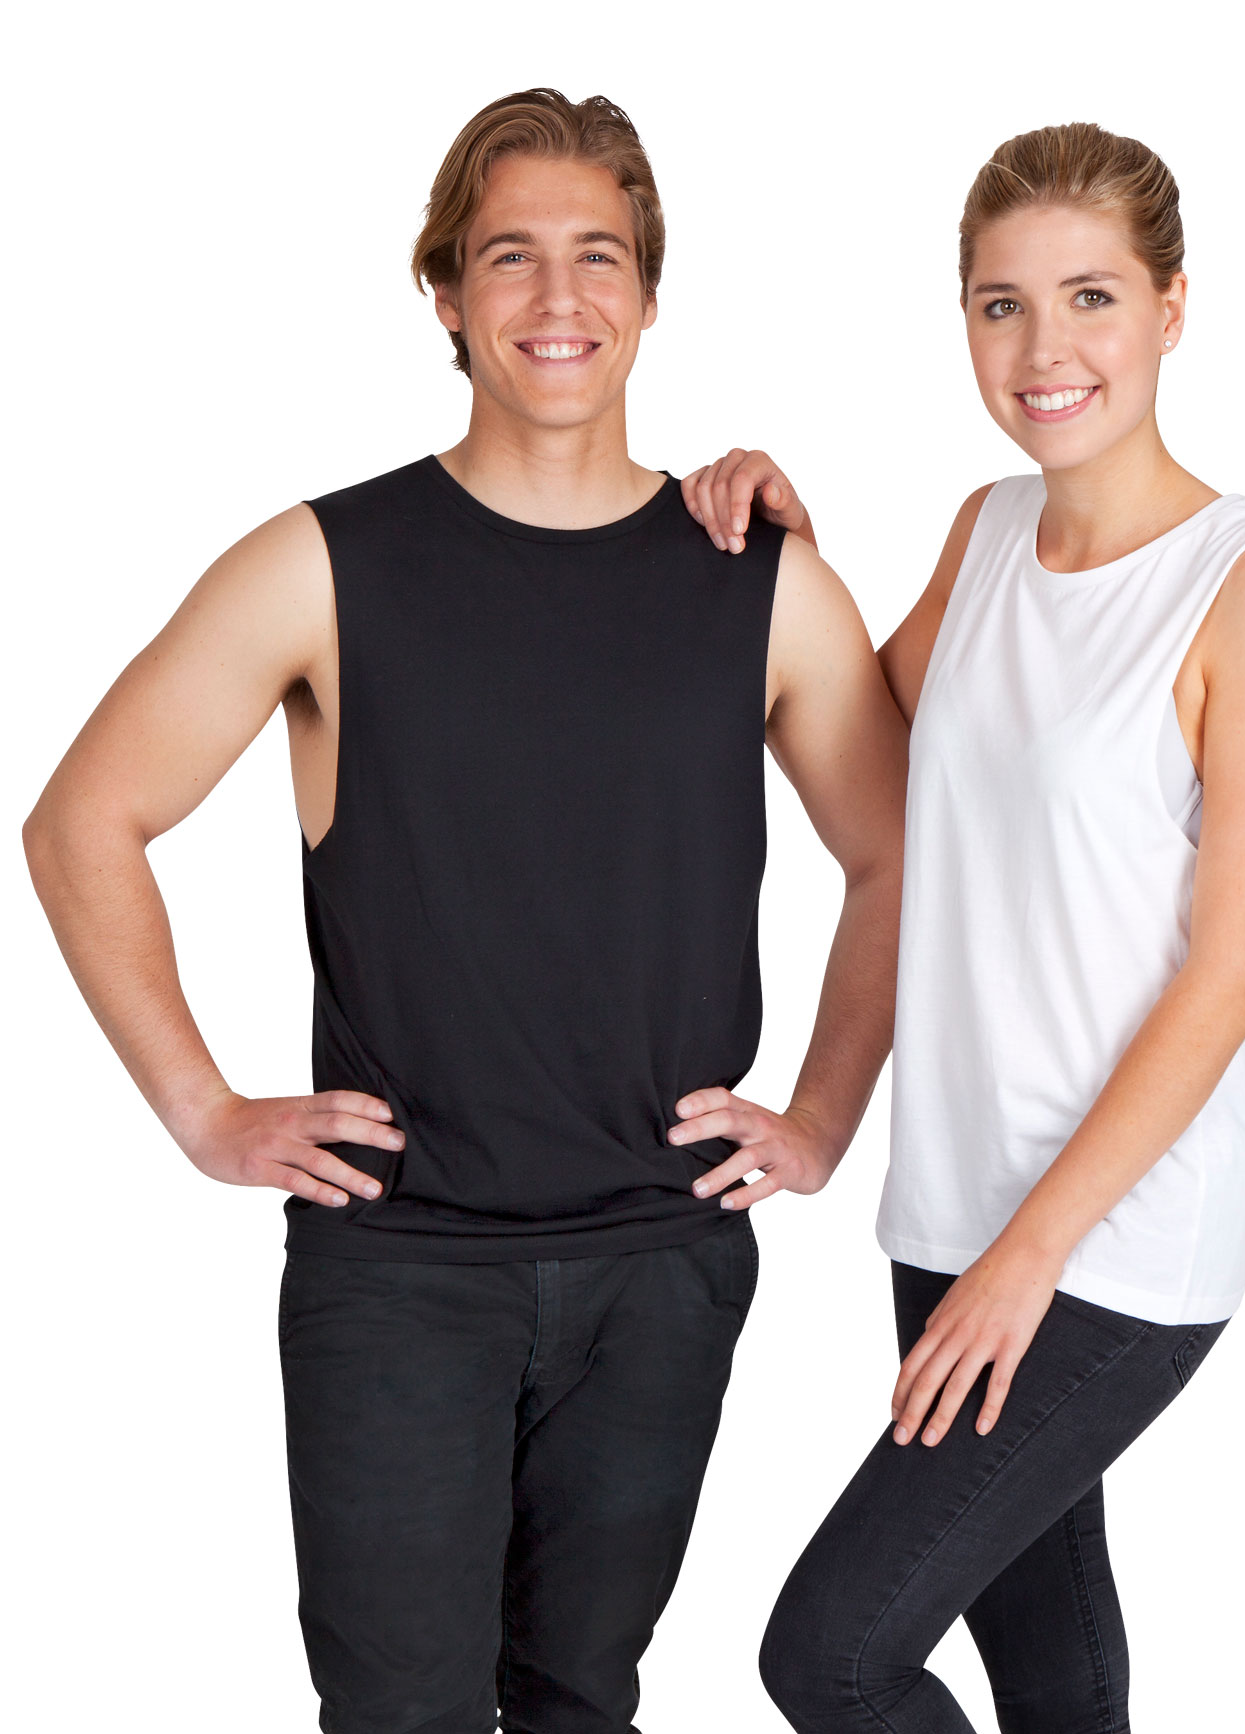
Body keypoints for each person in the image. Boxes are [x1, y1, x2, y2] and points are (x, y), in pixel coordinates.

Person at [22, 89, 908, 1734]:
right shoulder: (320, 563)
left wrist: (824, 1115)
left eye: (599, 256)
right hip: (399, 1269)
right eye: (510, 256)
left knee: (582, 1699)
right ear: (443, 291)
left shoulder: (763, 579)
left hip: (660, 1263)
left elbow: (899, 853)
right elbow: (83, 821)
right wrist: (204, 1109)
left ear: (649, 293)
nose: (558, 298)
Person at [684, 121, 1245, 1732]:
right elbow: (861, 745)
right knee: (1049, 1666)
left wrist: (1028, 1258)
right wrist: (790, 562)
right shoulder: (985, 532)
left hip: (1112, 1236)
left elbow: (1235, 968)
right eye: (1002, 305)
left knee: (832, 1655)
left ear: (1172, 307)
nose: (1046, 348)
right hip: (954, 1197)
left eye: (1091, 296)